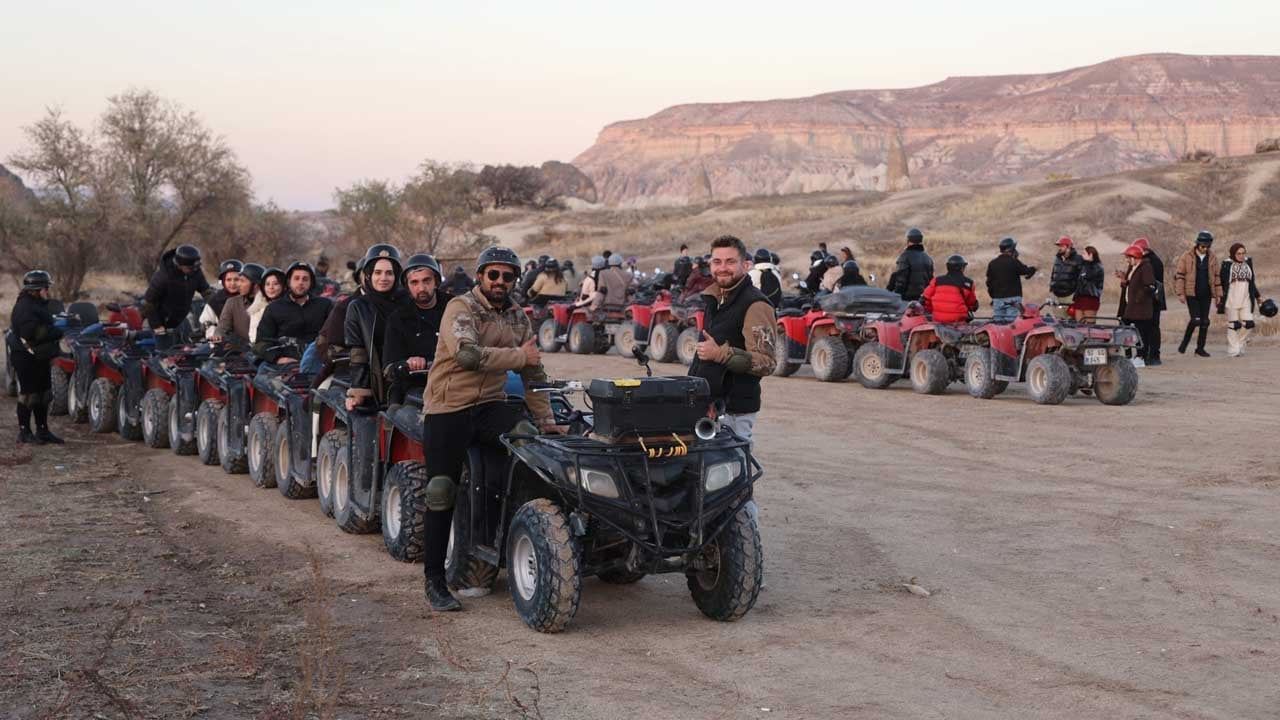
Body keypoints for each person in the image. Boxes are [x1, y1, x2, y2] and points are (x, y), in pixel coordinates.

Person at [419, 246, 556, 611]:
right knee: (440, 489)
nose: (499, 282)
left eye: (507, 276)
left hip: (489, 407)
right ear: (480, 276)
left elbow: (533, 372)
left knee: (529, 440)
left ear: (514, 280)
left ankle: (515, 546)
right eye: (492, 275)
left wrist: (546, 419)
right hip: (448, 407)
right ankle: (435, 579)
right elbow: (467, 356)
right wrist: (518, 356)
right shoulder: (460, 308)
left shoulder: (516, 316)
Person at [689, 235, 777, 445]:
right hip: (708, 407)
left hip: (734, 412)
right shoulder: (715, 299)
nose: (723, 268)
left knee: (733, 470)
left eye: (730, 262)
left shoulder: (756, 305)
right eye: (717, 262)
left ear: (746, 265)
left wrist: (721, 355)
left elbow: (767, 363)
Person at [345, 245, 409, 410]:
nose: (383, 278)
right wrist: (359, 392)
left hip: (408, 376)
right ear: (368, 275)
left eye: (389, 273)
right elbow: (358, 353)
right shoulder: (358, 307)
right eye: (377, 272)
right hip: (376, 382)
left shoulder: (407, 302)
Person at [382, 254, 448, 405]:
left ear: (436, 282)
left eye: (427, 281)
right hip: (413, 387)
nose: (421, 288)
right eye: (414, 282)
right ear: (407, 286)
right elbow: (389, 367)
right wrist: (407, 363)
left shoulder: (454, 307)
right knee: (395, 414)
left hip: (454, 382)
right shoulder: (398, 318)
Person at [8, 270, 65, 444]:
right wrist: (57, 331)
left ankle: (43, 431)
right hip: (25, 357)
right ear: (36, 289)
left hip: (38, 357)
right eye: (45, 288)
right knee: (28, 395)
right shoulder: (25, 307)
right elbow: (31, 332)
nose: (47, 291)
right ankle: (24, 432)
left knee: (43, 394)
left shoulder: (37, 304)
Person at [254, 262, 333, 369]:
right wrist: (278, 358)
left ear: (311, 283)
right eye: (296, 278)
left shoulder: (325, 305)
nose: (300, 282)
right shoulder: (274, 308)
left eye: (305, 279)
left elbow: (334, 334)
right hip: (282, 364)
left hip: (318, 362)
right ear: (288, 282)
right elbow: (261, 342)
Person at [142, 244, 214, 348]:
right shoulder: (163, 277)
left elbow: (206, 292)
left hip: (181, 317)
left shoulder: (195, 272)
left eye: (196, 267)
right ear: (179, 266)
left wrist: (219, 307)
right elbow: (148, 303)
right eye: (190, 268)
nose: (194, 270)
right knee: (165, 351)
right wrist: (157, 325)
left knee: (187, 349)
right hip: (162, 318)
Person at [1173, 230, 1222, 357]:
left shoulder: (1212, 258)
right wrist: (1180, 293)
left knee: (1205, 322)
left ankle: (1200, 349)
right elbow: (1179, 276)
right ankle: (1184, 344)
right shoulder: (1186, 256)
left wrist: (1218, 295)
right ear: (1197, 244)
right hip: (1191, 294)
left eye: (1207, 246)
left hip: (1206, 294)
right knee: (1196, 320)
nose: (1205, 248)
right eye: (1202, 246)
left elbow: (1217, 277)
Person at [1218, 243, 1263, 357]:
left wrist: (1258, 296)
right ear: (1233, 253)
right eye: (1239, 253)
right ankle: (1233, 350)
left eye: (1243, 253)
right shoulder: (1227, 264)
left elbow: (1252, 283)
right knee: (1234, 325)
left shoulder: (1248, 263)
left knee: (1249, 324)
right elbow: (1221, 284)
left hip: (1246, 299)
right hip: (1231, 299)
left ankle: (1239, 343)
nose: (1241, 256)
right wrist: (1218, 297)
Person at [1118, 245, 1158, 362]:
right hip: (1130, 307)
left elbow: (1149, 285)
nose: (1127, 260)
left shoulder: (1146, 267)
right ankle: (1128, 355)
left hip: (1141, 308)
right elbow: (1132, 284)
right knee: (1124, 329)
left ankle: (1141, 357)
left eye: (1128, 257)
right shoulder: (1133, 267)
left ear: (1135, 257)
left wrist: (1137, 298)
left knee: (1141, 333)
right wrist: (1124, 281)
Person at [210, 262, 264, 346]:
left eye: (242, 281)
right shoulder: (232, 302)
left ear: (255, 285)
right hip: (241, 349)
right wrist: (218, 335)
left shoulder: (268, 304)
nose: (238, 285)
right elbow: (223, 325)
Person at [985, 237, 1037, 321]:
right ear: (1011, 249)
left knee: (998, 326)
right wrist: (1034, 268)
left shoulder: (992, 263)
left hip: (997, 299)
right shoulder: (1013, 262)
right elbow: (1025, 271)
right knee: (1011, 325)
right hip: (1013, 299)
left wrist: (994, 297)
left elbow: (988, 283)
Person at [1132, 238, 1166, 364]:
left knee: (1152, 328)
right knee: (1144, 328)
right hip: (1148, 300)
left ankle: (1153, 355)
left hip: (1152, 300)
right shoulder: (1149, 261)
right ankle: (1146, 355)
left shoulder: (1153, 262)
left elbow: (1151, 283)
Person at [921, 255, 979, 323]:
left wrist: (932, 309)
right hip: (958, 321)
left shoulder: (936, 280)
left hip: (938, 320)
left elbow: (925, 299)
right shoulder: (968, 283)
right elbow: (972, 304)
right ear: (962, 268)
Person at [887, 228, 934, 302]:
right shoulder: (928, 258)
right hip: (923, 299)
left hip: (907, 299)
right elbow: (931, 281)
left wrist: (897, 297)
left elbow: (901, 280)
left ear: (908, 240)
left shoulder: (905, 256)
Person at [199, 259, 242, 333]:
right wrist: (216, 335)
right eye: (228, 280)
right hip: (222, 341)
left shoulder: (249, 297)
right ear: (223, 281)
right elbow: (206, 322)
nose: (232, 283)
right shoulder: (215, 301)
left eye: (236, 279)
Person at [1049, 237, 1083, 316]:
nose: (1059, 248)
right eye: (1059, 246)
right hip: (1056, 295)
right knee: (1058, 320)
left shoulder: (1078, 259)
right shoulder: (1057, 259)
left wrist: (1077, 293)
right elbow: (1053, 273)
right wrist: (1051, 287)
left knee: (1070, 320)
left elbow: (1081, 277)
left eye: (1062, 246)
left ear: (1068, 247)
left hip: (1070, 296)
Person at [1072, 246, 1105, 324]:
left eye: (1084, 254)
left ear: (1090, 255)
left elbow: (1089, 276)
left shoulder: (1097, 266)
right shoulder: (1083, 266)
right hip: (1080, 297)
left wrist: (1087, 263)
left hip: (1091, 297)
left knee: (1090, 323)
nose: (1082, 256)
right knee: (1079, 322)